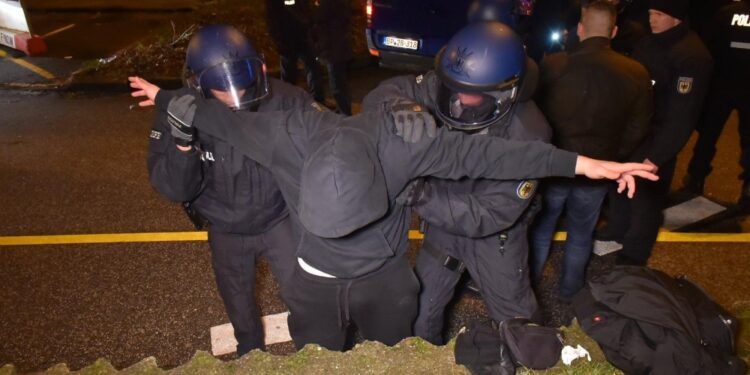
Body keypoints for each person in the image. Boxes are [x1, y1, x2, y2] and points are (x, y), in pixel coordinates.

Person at [131, 74, 657, 352]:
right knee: (321, 348)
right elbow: (211, 117)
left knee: (401, 335)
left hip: (386, 275)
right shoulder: (286, 135)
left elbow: (504, 154)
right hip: (314, 277)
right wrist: (166, 97)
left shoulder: (406, 148)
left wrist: (590, 165)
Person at [133, 24, 317, 356]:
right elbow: (174, 188)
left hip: (279, 219)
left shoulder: (288, 100)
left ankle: (313, 353)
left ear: (257, 68)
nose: (235, 97)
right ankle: (249, 355)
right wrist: (182, 146)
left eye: (242, 81)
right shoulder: (182, 110)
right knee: (240, 308)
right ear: (197, 83)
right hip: (225, 228)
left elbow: (327, 151)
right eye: (221, 89)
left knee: (305, 299)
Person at [361, 21, 550, 344]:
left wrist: (421, 195)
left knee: (516, 320)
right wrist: (397, 105)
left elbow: (487, 215)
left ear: (504, 91)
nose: (458, 98)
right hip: (443, 224)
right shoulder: (456, 80)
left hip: (494, 238)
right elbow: (384, 93)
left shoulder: (528, 136)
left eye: (471, 95)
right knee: (419, 311)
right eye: (453, 88)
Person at [530, 1, 652, 303]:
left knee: (541, 229)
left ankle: (527, 287)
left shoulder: (554, 65)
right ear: (614, 31)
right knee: (582, 233)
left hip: (555, 165)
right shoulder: (636, 73)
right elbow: (639, 127)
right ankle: (571, 293)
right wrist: (613, 157)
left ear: (580, 30)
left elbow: (535, 117)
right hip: (599, 169)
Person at [599, 0, 713, 266]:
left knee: (647, 199)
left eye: (659, 14)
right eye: (651, 13)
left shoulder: (692, 56)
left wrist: (657, 156)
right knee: (621, 183)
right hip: (633, 130)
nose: (653, 19)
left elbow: (683, 115)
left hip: (657, 136)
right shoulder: (648, 42)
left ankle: (635, 252)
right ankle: (617, 228)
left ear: (676, 17)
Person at [680, 0, 750, 206]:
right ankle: (749, 186)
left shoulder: (727, 13)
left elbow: (708, 46)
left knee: (708, 134)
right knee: (749, 139)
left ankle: (695, 179)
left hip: (722, 85)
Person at [266, 0, 325, 103]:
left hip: (298, 37)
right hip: (290, 39)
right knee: (295, 73)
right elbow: (273, 19)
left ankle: (316, 99)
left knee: (311, 68)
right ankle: (291, 101)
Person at [311, 0, 353, 115]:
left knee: (337, 84)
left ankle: (345, 113)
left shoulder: (328, 4)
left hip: (334, 48)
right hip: (337, 46)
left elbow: (317, 17)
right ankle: (344, 110)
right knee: (339, 82)